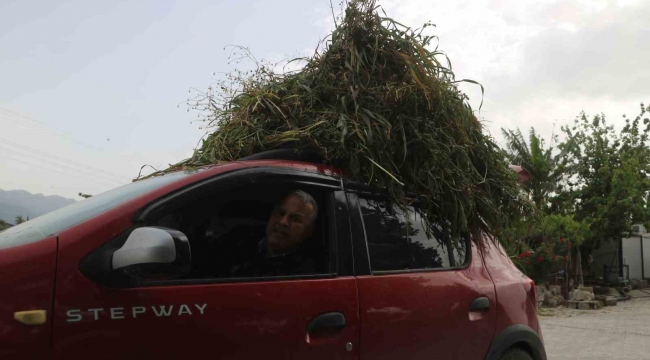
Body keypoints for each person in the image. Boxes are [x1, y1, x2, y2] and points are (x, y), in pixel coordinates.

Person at [229, 190, 319, 277]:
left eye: (295, 218)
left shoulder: (304, 274)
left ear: (308, 231)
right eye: (280, 213)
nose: (283, 222)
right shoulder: (240, 238)